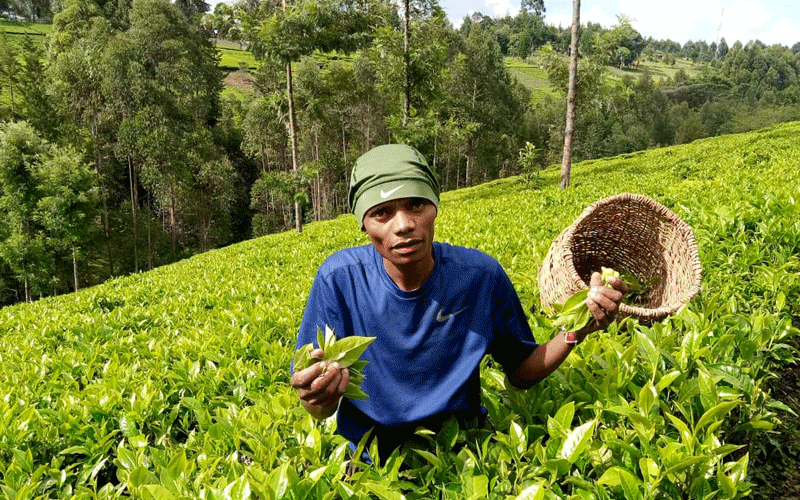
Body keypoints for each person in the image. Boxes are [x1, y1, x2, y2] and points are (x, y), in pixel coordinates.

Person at [290, 144, 627, 462]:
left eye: (416, 206)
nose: (404, 224)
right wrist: (319, 396)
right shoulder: (340, 279)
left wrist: (578, 329)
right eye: (382, 213)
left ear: (434, 206)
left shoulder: (479, 275)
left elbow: (521, 372)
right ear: (363, 223)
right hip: (372, 459)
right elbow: (319, 408)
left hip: (462, 452)